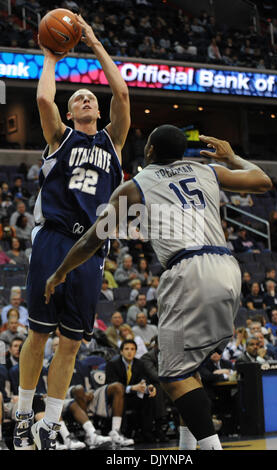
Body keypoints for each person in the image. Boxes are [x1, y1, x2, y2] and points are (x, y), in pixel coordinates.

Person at [44, 128, 272, 450]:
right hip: (227, 271)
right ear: (181, 153)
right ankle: (186, 449)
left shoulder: (134, 187)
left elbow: (92, 239)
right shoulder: (207, 170)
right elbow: (263, 181)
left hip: (187, 276)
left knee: (173, 377)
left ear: (149, 151)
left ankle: (212, 447)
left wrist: (59, 273)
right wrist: (232, 157)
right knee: (180, 365)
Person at [13, 12, 130, 451]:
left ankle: (50, 422)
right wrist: (50, 56)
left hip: (91, 249)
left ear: (98, 110)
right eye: (77, 97)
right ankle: (24, 416)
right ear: (69, 110)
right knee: (38, 333)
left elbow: (120, 90)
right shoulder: (59, 137)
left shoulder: (112, 142)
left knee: (69, 343)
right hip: (55, 238)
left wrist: (96, 43)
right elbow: (43, 101)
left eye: (89, 98)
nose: (84, 100)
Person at [105, 339, 157, 442]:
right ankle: (121, 432)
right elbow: (111, 385)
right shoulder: (112, 364)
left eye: (132, 349)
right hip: (117, 398)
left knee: (149, 397)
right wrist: (132, 388)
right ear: (121, 351)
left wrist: (149, 388)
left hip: (133, 397)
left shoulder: (140, 364)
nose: (130, 352)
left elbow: (144, 381)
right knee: (122, 400)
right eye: (127, 349)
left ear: (136, 352)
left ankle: (147, 432)